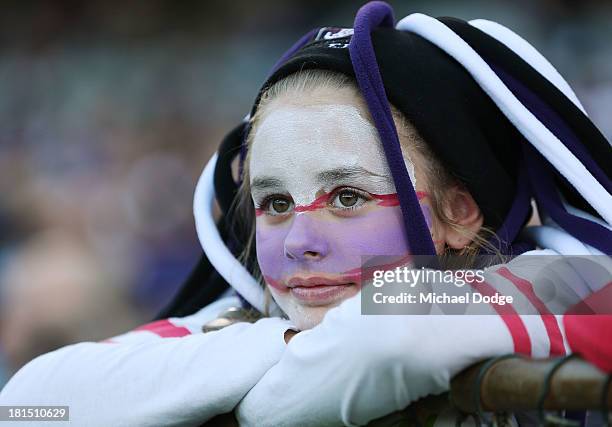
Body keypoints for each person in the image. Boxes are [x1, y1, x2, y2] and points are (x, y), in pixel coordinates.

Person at [1, 2, 610, 426]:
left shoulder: (572, 277)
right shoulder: (264, 320)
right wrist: (285, 342)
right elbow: (27, 406)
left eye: (347, 197)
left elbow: (391, 339)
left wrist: (251, 384)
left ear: (460, 213)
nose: (298, 243)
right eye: (274, 203)